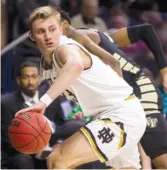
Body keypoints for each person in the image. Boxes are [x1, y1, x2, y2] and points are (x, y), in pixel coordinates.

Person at [16, 6, 146, 169]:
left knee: (57, 160)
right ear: (31, 36)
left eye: (52, 29)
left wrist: (43, 101)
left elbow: (75, 64)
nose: (48, 36)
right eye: (41, 31)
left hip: (120, 115)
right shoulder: (45, 68)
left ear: (61, 30)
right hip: (116, 114)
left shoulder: (65, 49)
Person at [58, 10, 167, 169]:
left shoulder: (81, 38)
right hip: (120, 101)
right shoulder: (100, 38)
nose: (47, 35)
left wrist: (164, 71)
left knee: (162, 161)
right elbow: (145, 30)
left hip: (139, 92)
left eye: (52, 28)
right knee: (121, 164)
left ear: (64, 25)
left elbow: (145, 31)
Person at [1, 60, 85, 169]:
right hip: (26, 150)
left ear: (40, 79)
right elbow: (7, 140)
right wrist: (36, 148)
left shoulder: (49, 97)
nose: (30, 81)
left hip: (52, 142)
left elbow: (60, 123)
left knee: (79, 126)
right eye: (25, 77)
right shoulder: (7, 104)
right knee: (22, 159)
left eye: (34, 76)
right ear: (18, 80)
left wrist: (59, 143)